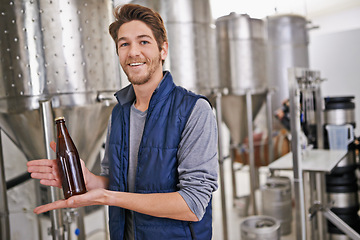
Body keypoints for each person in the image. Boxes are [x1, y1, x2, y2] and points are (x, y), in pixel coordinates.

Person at [27, 3, 218, 240]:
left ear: (163, 50)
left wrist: (108, 198)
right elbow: (115, 184)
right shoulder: (118, 114)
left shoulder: (194, 110)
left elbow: (193, 204)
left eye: (144, 41)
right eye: (124, 44)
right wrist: (90, 180)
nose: (133, 52)